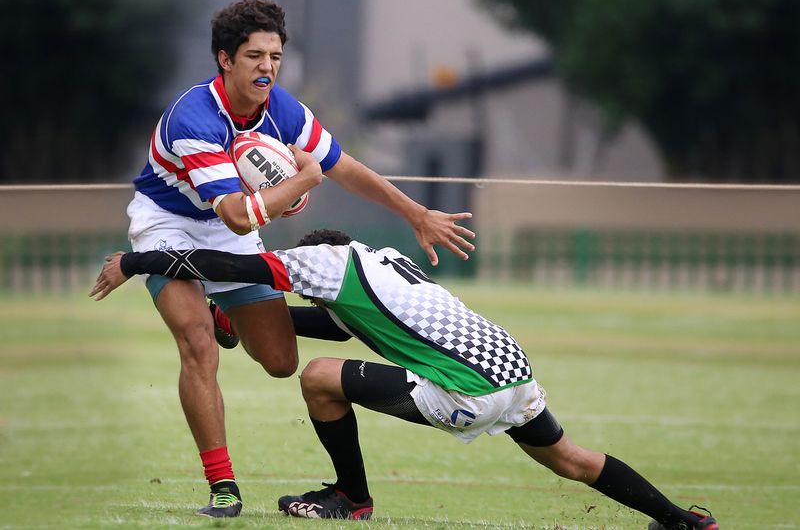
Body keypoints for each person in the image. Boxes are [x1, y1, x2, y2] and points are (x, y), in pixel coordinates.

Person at [90, 230, 720, 530]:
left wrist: (137, 260)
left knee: (315, 380)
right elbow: (341, 328)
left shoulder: (322, 262)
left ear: (318, 256)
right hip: (511, 366)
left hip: (466, 388)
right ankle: (682, 521)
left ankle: (351, 497)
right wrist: (242, 321)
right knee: (570, 460)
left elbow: (228, 260)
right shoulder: (382, 262)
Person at [124, 0, 474, 518]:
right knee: (198, 344)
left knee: (281, 362)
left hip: (229, 224)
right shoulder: (193, 118)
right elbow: (242, 215)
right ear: (225, 59)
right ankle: (223, 486)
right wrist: (299, 183)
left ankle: (228, 315)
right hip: (168, 224)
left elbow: (344, 167)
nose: (267, 67)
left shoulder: (281, 108)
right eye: (254, 57)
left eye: (276, 56)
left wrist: (416, 214)